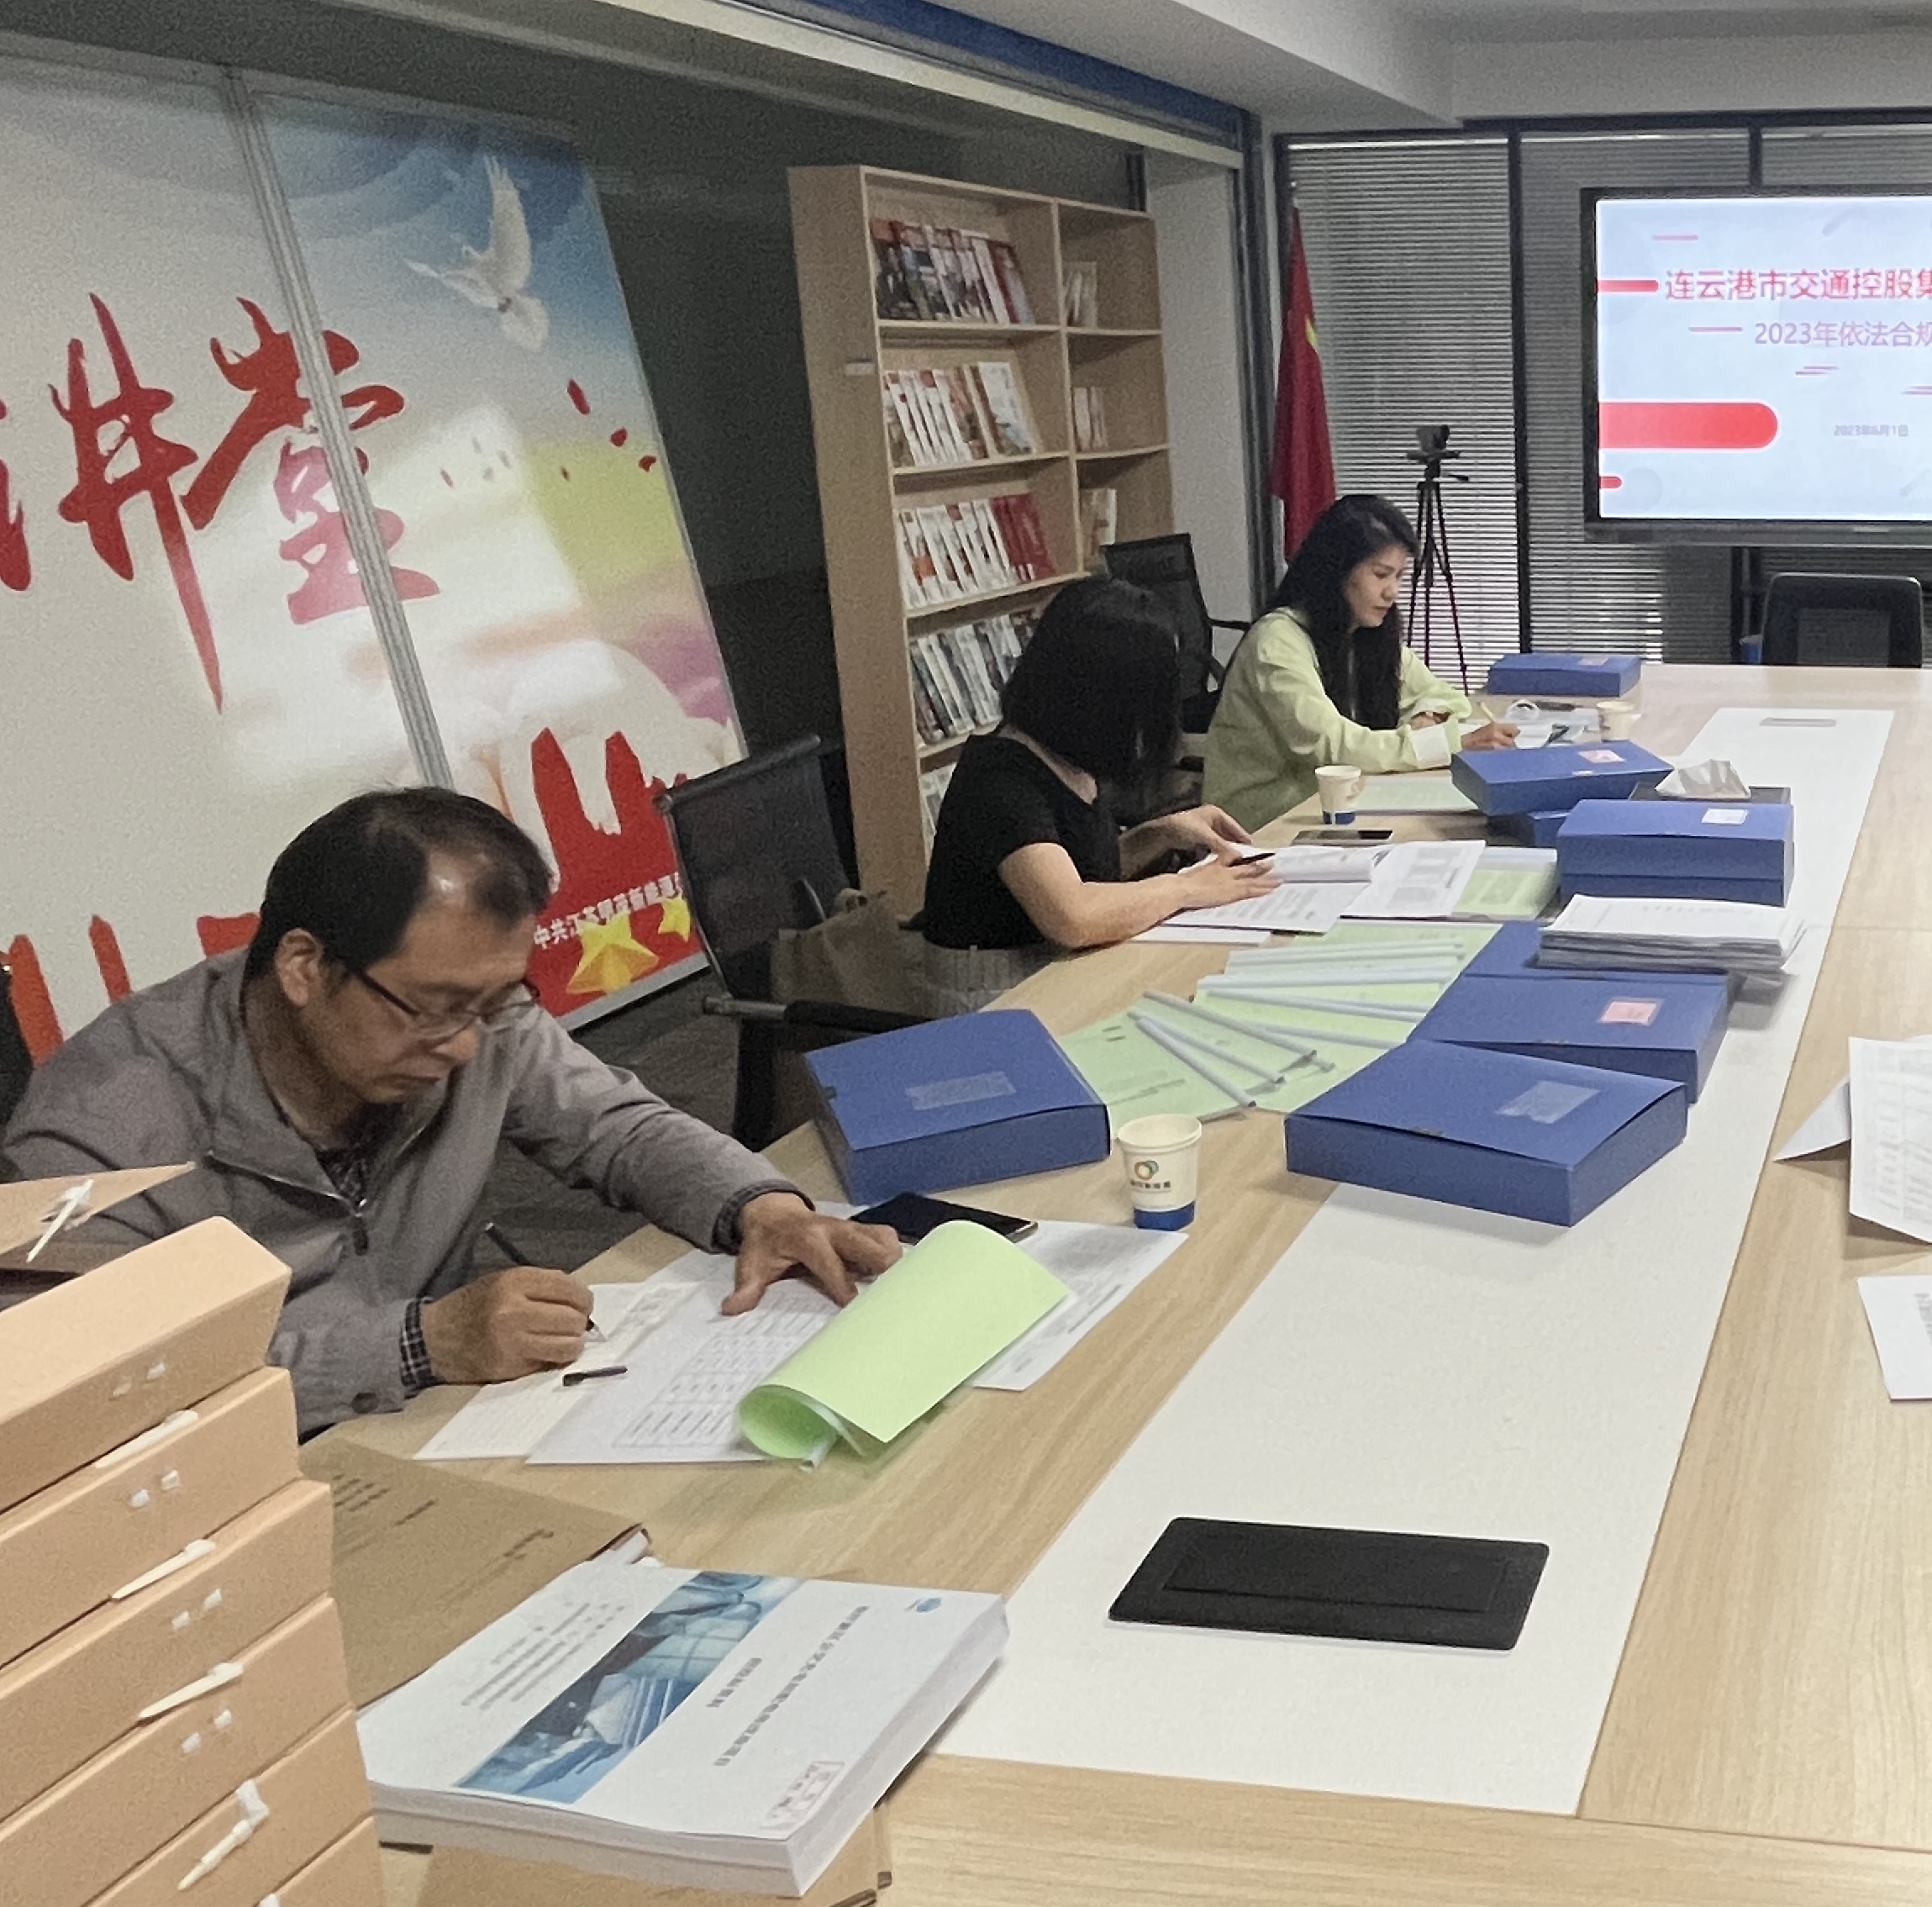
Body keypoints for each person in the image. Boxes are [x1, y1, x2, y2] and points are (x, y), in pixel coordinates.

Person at [3, 790, 900, 1432]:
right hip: (234, 1486)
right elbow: (80, 1384)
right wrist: (412, 1345)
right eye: (435, 1008)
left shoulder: (470, 1015)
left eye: (495, 1003)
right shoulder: (107, 1132)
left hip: (442, 1420)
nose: (468, 1045)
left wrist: (761, 1206)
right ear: (305, 967)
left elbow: (616, 1126)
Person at [915, 577, 1271, 994]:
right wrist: (1187, 887)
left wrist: (1162, 833)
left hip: (1053, 970)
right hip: (994, 995)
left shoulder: (1067, 757)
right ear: (1104, 698)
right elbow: (1073, 915)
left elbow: (1083, 871)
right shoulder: (1001, 781)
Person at [1198, 493, 1513, 830]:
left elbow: (1447, 697)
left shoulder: (1364, 631)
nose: (1392, 592)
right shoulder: (1276, 642)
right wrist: (1447, 743)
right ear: (1337, 571)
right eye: (1380, 575)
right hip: (1260, 826)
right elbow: (1334, 748)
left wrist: (1427, 717)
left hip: (1335, 807)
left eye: (1399, 576)